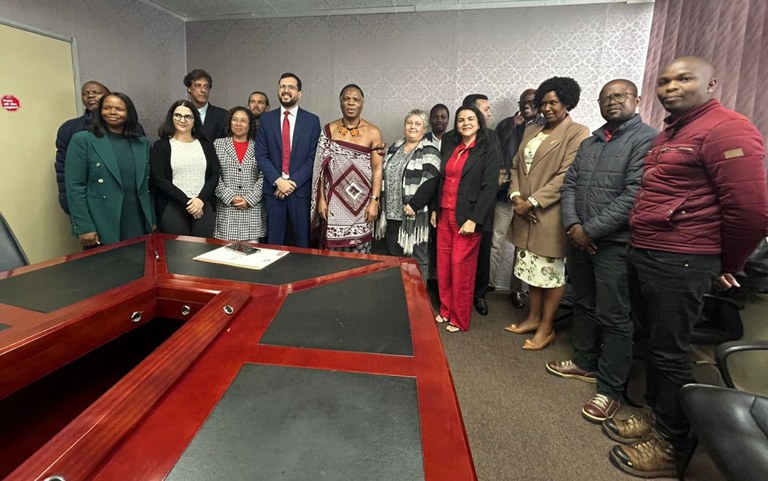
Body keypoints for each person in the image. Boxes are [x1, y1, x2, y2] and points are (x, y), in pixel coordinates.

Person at [604, 56, 768, 478]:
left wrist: (727, 262)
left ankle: (669, 442)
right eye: (664, 81)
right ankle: (653, 416)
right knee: (653, 343)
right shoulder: (671, 133)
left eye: (683, 79)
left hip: (683, 259)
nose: (670, 87)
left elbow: (751, 212)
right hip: (649, 252)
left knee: (671, 352)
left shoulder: (727, 129)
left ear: (711, 84)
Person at [545, 79, 657, 424]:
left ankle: (610, 389)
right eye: (605, 97)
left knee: (614, 315)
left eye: (619, 96)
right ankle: (584, 361)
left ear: (637, 99)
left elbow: (635, 193)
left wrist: (589, 230)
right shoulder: (591, 141)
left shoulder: (647, 139)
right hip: (580, 237)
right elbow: (570, 185)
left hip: (614, 243)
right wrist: (573, 225)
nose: (612, 101)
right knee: (584, 302)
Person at [504, 76, 589, 350]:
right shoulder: (532, 130)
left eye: (554, 102)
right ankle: (532, 318)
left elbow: (566, 175)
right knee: (531, 270)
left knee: (550, 274)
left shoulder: (577, 132)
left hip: (549, 214)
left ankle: (546, 327)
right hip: (523, 211)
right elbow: (516, 166)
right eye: (544, 103)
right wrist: (517, 197)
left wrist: (532, 202)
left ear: (567, 102)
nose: (547, 108)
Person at [433, 105, 499, 332]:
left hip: (467, 219)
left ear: (479, 122)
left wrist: (475, 219)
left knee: (461, 267)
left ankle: (460, 318)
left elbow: (490, 188)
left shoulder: (488, 149)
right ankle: (445, 309)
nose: (465, 123)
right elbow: (441, 180)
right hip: (445, 213)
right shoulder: (452, 146)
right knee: (443, 266)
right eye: (461, 120)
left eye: (471, 119)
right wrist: (435, 209)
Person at [65, 92, 154, 247]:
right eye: (107, 108)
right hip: (102, 222)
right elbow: (75, 187)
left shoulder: (143, 143)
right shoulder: (83, 140)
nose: (112, 112)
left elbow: (149, 186)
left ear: (129, 113)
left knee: (140, 260)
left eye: (119, 109)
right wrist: (84, 226)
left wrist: (152, 219)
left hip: (138, 220)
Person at [311, 84, 384, 253]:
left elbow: (377, 169)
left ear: (362, 104)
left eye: (356, 99)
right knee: (333, 260)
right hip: (333, 204)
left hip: (362, 205)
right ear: (340, 102)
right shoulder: (329, 130)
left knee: (360, 258)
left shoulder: (373, 132)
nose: (351, 103)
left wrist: (374, 201)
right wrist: (321, 200)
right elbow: (320, 170)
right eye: (347, 99)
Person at [256, 73, 321, 248]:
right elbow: (261, 155)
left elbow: (313, 158)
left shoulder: (312, 121)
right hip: (274, 192)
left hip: (300, 193)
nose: (286, 90)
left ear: (299, 93)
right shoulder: (266, 119)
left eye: (291, 87)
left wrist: (291, 184)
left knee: (301, 245)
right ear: (278, 91)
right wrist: (279, 181)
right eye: (282, 86)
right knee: (274, 246)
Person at [492, 88, 544, 308]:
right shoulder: (506, 124)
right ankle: (488, 286)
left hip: (528, 198)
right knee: (496, 242)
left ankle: (517, 290)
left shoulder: (546, 126)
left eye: (532, 101)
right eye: (523, 101)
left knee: (522, 247)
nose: (527, 105)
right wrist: (512, 125)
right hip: (504, 194)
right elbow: (496, 153)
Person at [375, 109, 441, 279]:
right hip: (391, 213)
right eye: (409, 123)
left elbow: (431, 180)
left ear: (424, 129)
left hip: (413, 214)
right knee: (394, 256)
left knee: (418, 259)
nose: (412, 127)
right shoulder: (393, 148)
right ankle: (399, 293)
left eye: (417, 124)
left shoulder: (430, 151)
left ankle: (418, 296)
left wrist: (414, 204)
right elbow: (382, 172)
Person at [150, 100, 220, 238]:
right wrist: (188, 202)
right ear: (171, 117)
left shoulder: (206, 144)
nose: (182, 120)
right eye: (178, 115)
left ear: (195, 120)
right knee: (179, 248)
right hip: (172, 205)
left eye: (188, 116)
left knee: (202, 248)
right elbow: (159, 179)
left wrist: (200, 200)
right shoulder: (161, 145)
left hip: (202, 204)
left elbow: (214, 175)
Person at [462, 94, 497, 316]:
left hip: (482, 207)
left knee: (482, 253)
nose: (489, 113)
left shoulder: (491, 137)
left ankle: (479, 295)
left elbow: (493, 179)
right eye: (485, 109)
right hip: (459, 207)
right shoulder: (455, 137)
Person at [55, 81, 110, 214]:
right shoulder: (69, 128)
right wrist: (67, 202)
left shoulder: (129, 127)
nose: (90, 96)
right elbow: (63, 168)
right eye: (85, 93)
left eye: (96, 92)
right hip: (88, 200)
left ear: (109, 96)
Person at [213, 106, 265, 241]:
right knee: (224, 252)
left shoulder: (259, 147)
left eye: (243, 121)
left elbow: (264, 176)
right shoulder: (218, 145)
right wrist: (229, 197)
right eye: (235, 120)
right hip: (227, 211)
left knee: (252, 253)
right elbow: (213, 175)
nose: (238, 124)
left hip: (252, 212)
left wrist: (250, 199)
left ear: (250, 124)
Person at [183, 69, 228, 141]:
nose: (203, 90)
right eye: (198, 86)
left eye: (206, 86)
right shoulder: (179, 114)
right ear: (188, 88)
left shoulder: (223, 116)